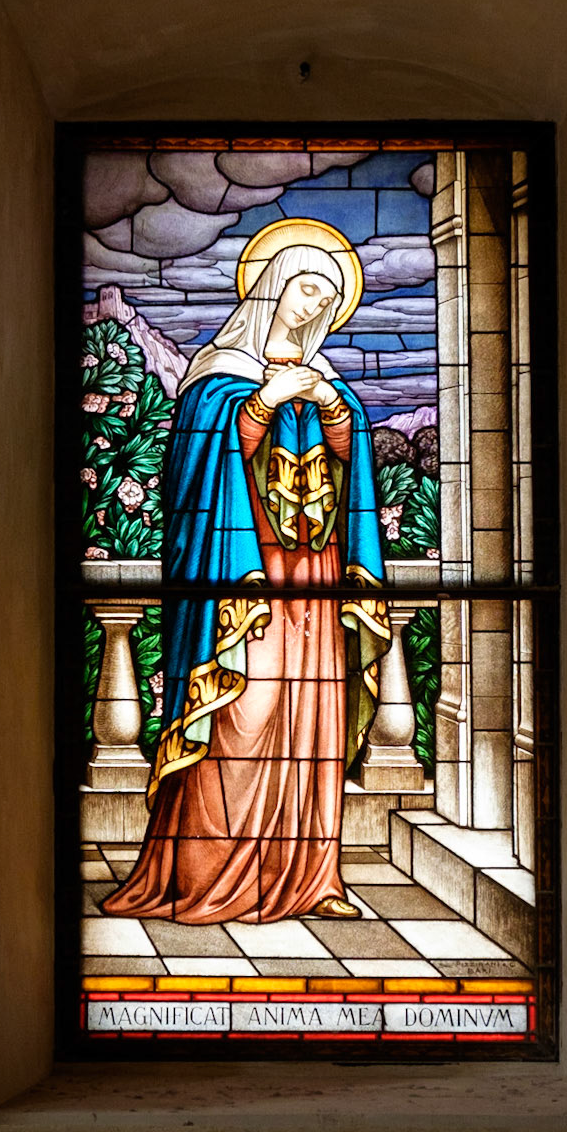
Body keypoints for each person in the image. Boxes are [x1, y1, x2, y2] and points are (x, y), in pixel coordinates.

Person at [104, 222, 389, 925]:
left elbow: (351, 475)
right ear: (271, 288)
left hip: (315, 587)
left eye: (325, 294)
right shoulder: (216, 373)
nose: (312, 303)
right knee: (241, 714)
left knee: (309, 722)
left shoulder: (331, 385)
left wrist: (328, 406)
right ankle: (204, 875)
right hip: (242, 580)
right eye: (303, 286)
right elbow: (195, 471)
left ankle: (310, 877)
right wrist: (261, 402)